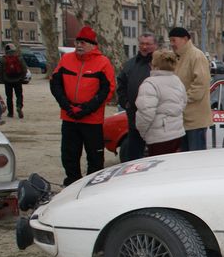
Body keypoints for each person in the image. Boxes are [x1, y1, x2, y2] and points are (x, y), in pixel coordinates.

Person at [50, 26, 116, 186]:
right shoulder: (66, 59)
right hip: (69, 117)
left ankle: (92, 186)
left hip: (92, 120)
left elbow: (107, 90)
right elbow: (55, 84)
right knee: (69, 154)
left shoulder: (103, 63)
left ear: (93, 45)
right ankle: (72, 183)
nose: (79, 45)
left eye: (84, 43)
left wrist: (85, 109)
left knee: (95, 156)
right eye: (78, 42)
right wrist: (67, 106)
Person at [134, 50, 187, 156]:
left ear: (154, 64)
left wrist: (143, 132)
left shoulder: (150, 84)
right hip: (177, 133)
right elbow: (183, 103)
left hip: (158, 137)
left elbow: (145, 113)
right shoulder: (177, 81)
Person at [168, 27, 212, 151]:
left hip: (195, 120)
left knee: (195, 159)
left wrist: (180, 100)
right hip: (182, 119)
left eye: (174, 40)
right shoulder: (177, 57)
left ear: (185, 39)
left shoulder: (197, 56)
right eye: (170, 41)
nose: (172, 44)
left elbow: (200, 86)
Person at [116, 33, 158, 160]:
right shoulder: (130, 65)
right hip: (135, 118)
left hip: (157, 120)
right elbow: (121, 86)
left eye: (148, 44)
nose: (144, 47)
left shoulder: (161, 63)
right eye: (142, 44)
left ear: (155, 45)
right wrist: (126, 103)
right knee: (134, 157)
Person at [0, 43, 28, 118]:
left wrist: (2, 79)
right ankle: (19, 107)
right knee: (19, 95)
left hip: (7, 80)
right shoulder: (19, 58)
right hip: (18, 80)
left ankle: (10, 113)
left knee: (9, 97)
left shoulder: (3, 59)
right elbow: (24, 68)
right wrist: (22, 77)